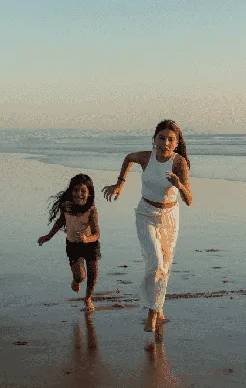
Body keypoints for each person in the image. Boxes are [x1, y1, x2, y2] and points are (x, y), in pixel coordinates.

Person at [102, 120, 193, 334]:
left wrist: (179, 185)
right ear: (154, 140)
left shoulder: (179, 163)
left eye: (170, 139)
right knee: (155, 263)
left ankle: (157, 306)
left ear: (176, 143)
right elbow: (128, 158)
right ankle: (152, 313)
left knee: (164, 266)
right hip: (145, 214)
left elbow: (189, 200)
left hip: (170, 217)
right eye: (161, 138)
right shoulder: (145, 157)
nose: (165, 143)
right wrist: (120, 184)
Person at [38, 174, 101, 311]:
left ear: (89, 193)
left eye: (83, 191)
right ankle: (76, 280)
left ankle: (88, 298)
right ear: (71, 191)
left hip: (90, 244)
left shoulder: (92, 209)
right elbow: (61, 221)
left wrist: (87, 239)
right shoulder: (66, 205)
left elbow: (97, 233)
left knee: (93, 274)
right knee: (81, 276)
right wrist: (48, 236)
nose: (79, 194)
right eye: (75, 190)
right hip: (73, 245)